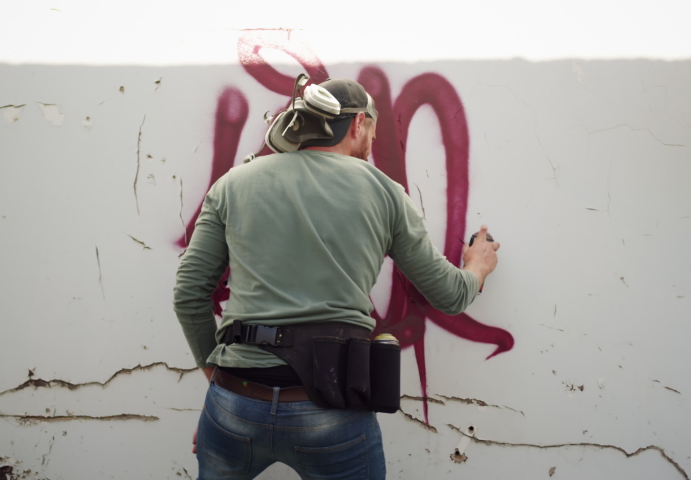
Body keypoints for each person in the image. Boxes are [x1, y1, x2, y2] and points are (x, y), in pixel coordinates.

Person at [173, 77, 500, 480]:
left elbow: (189, 293)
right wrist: (478, 267)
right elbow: (449, 295)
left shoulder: (232, 184)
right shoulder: (385, 192)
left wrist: (218, 386)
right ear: (359, 123)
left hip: (235, 401)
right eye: (374, 130)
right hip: (330, 409)